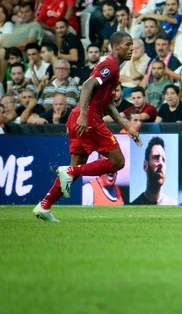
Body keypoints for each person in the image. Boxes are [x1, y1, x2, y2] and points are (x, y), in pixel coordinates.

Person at [33, 32, 141, 222]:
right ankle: (69, 173)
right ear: (116, 46)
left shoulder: (111, 68)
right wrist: (84, 115)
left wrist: (128, 127)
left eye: (132, 44)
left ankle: (44, 206)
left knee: (74, 169)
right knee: (118, 162)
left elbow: (108, 105)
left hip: (80, 117)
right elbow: (87, 85)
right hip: (88, 118)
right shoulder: (111, 65)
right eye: (128, 44)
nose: (131, 48)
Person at [131, 136, 178, 205]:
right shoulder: (134, 207)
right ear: (145, 165)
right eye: (156, 157)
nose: (161, 163)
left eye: (163, 160)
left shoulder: (174, 206)